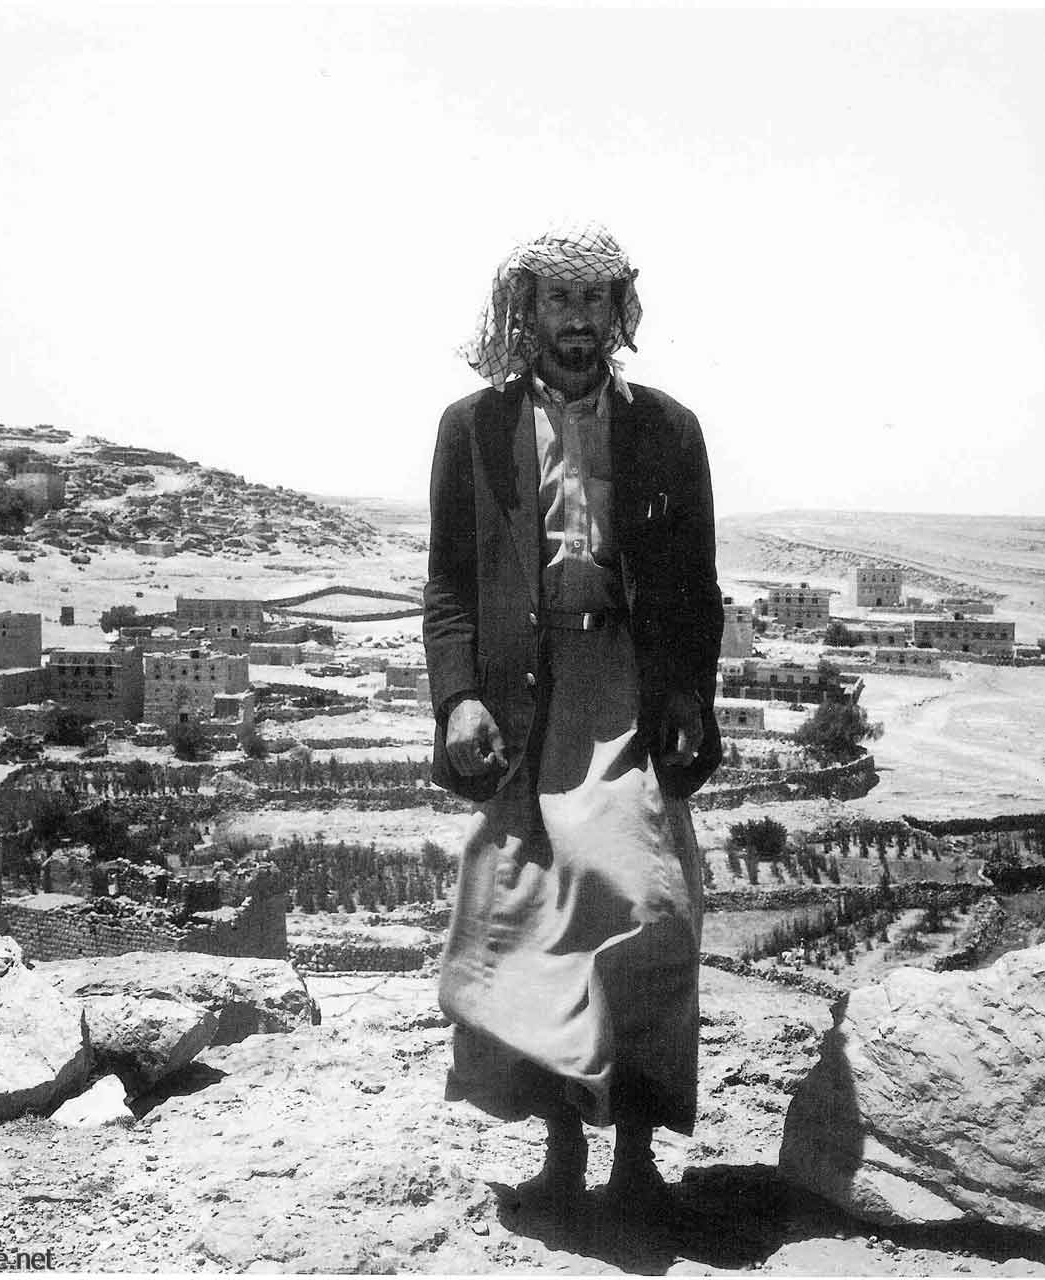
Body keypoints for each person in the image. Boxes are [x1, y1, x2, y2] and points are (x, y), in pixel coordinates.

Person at [422, 221, 724, 1223]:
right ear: (525, 311)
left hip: (625, 690)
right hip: (525, 698)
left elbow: (696, 588)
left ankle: (635, 1151)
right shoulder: (472, 428)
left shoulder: (669, 428)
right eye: (559, 298)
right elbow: (448, 586)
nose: (579, 320)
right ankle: (560, 1150)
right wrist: (458, 695)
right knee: (528, 924)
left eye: (595, 299)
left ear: (618, 310)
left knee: (646, 906)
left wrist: (689, 694)